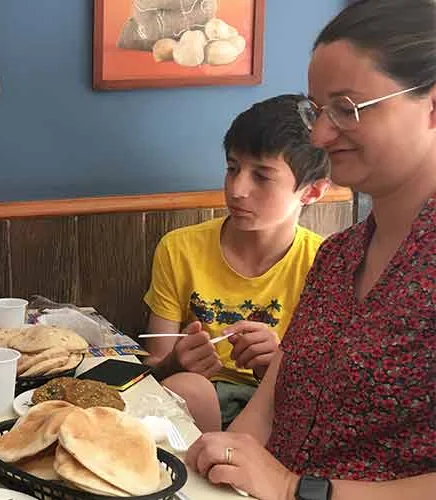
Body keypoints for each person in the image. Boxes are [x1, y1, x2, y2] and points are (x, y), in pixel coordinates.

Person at [187, 1, 436, 498]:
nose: (320, 134)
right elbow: (276, 395)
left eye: (347, 108)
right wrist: (226, 454)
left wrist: (294, 487)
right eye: (320, 110)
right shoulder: (338, 256)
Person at [142, 94, 330, 432]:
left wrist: (275, 366)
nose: (237, 189)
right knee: (188, 387)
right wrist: (176, 361)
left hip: (277, 408)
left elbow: (326, 391)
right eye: (232, 168)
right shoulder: (179, 248)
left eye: (262, 176)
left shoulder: (326, 263)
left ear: (312, 192)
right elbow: (156, 366)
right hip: (196, 405)